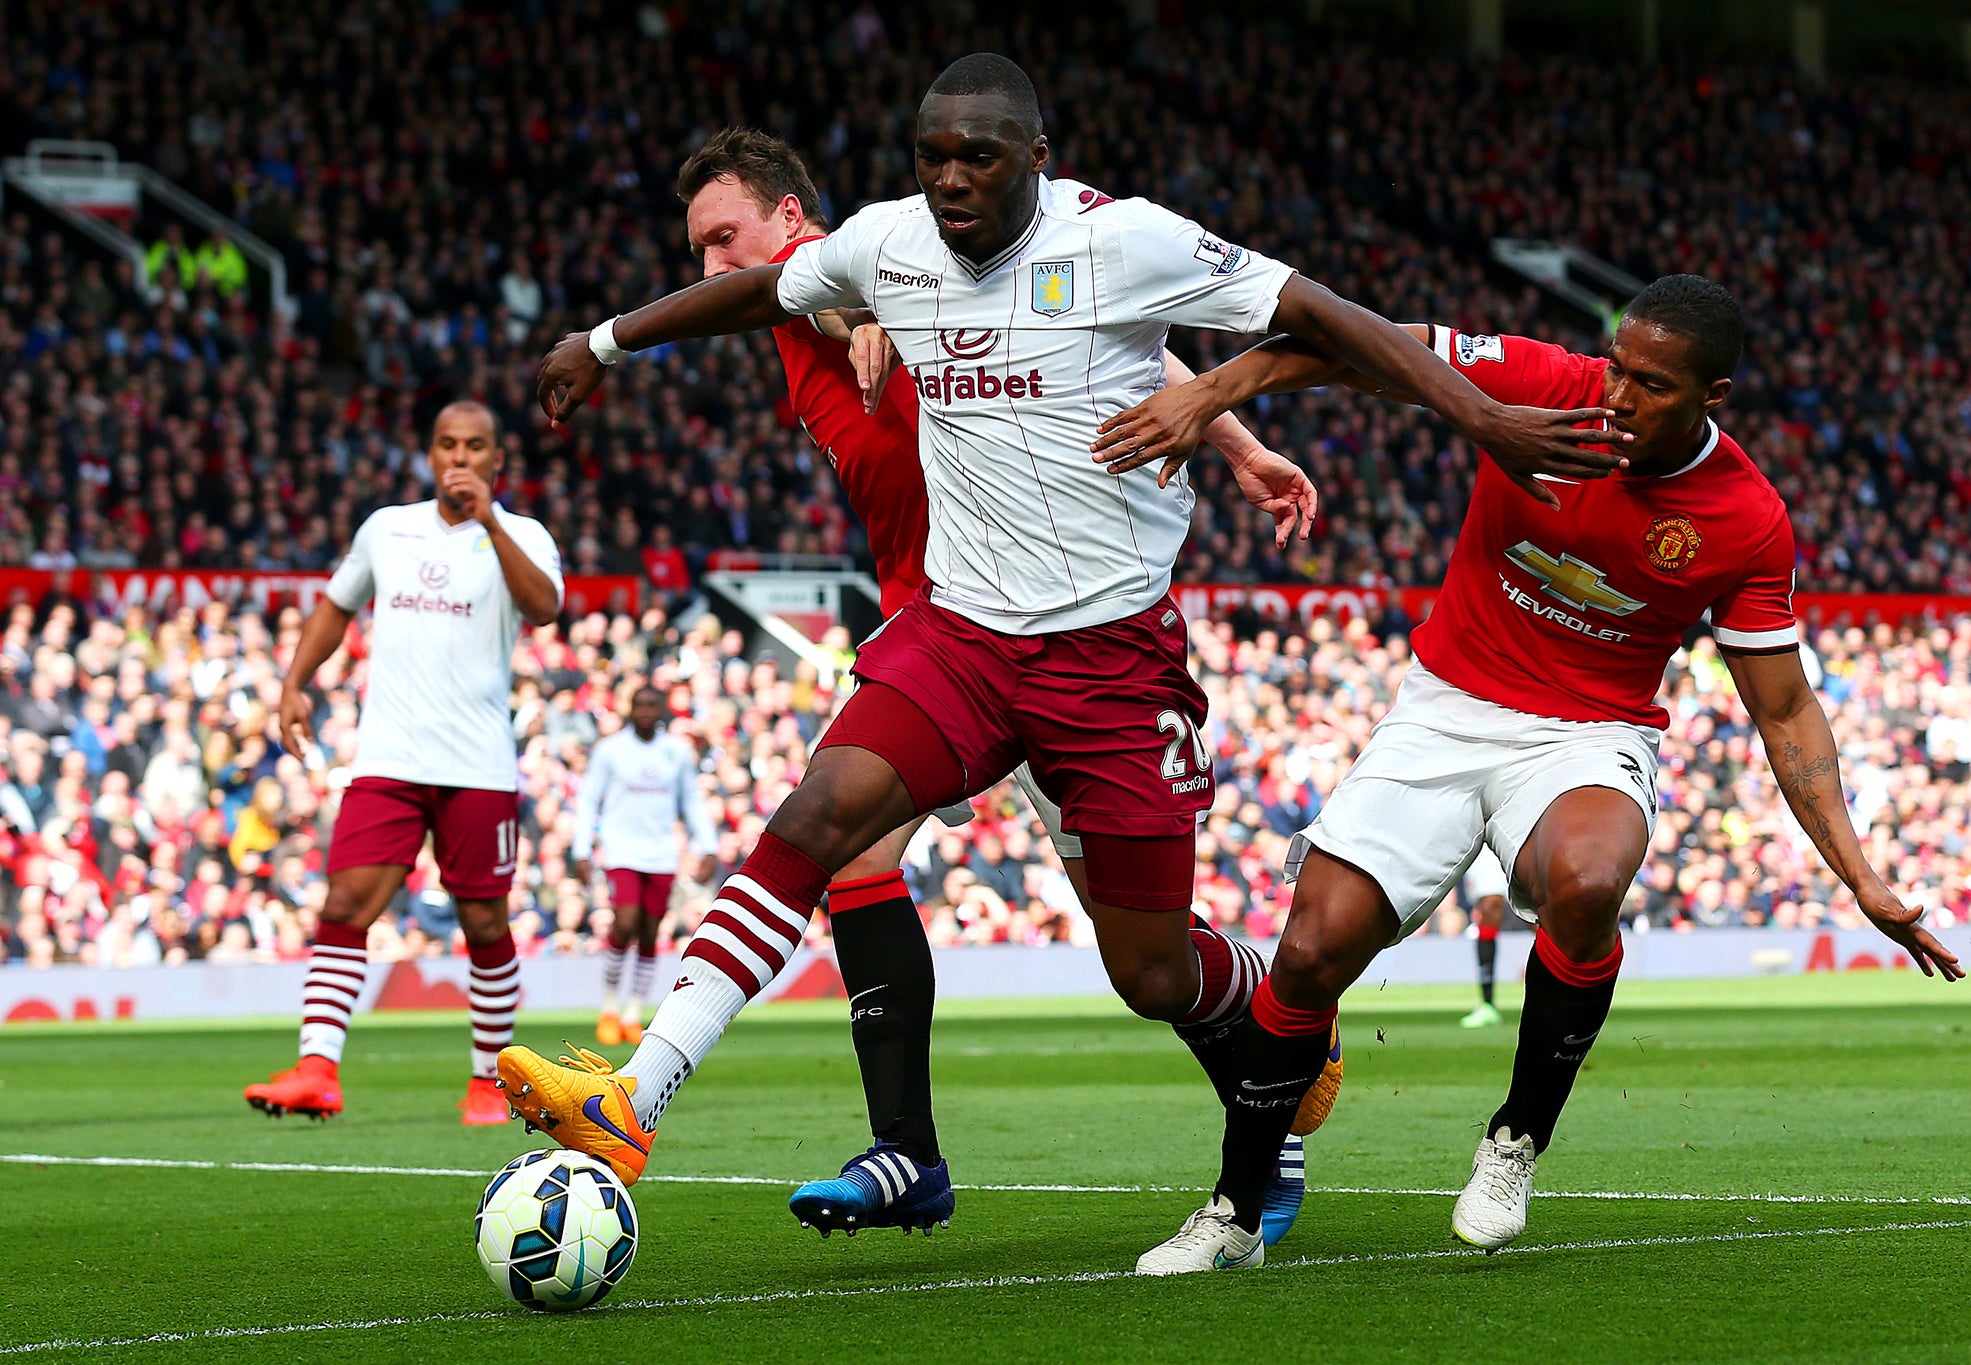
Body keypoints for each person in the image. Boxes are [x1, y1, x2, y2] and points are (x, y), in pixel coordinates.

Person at [503, 54, 1617, 1286]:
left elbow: (1314, 315)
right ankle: (637, 1098)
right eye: (932, 157)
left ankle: (1260, 1009)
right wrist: (597, 341)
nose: (951, 179)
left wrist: (1481, 418)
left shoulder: (1126, 242)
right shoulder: (886, 249)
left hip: (1109, 662)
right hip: (962, 637)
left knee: (1147, 970)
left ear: (1036, 155)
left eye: (978, 155)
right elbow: (766, 294)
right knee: (822, 817)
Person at [1090, 273, 1963, 1271]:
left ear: (1710, 395)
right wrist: (1213, 393)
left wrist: (1859, 876)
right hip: (1444, 710)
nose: (1618, 399)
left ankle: (1513, 1141)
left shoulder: (1744, 519)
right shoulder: (1542, 382)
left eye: (1652, 386)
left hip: (1590, 733)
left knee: (1587, 882)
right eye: (1617, 368)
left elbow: (1782, 708)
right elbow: (1356, 342)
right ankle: (1234, 1214)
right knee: (1309, 953)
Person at [669, 126, 1325, 1244]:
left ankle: (1264, 1070)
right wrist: (1237, 446)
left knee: (1144, 960)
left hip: (1051, 631)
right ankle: (907, 1155)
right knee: (851, 852)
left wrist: (1233, 446)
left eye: (723, 237)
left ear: (790, 224)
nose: (709, 268)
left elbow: (930, 311)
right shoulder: (806, 310)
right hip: (949, 642)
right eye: (693, 251)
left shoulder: (866, 276)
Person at [243, 401, 563, 1126]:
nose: (460, 457)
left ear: (496, 462)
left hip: (479, 763)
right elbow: (334, 603)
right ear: (429, 454)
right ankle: (317, 1069)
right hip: (388, 755)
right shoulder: (387, 528)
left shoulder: (523, 535)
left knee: (483, 922)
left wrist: (489, 523)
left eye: (475, 446)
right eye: (447, 444)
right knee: (344, 904)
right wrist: (293, 684)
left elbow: (543, 606)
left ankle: (490, 1082)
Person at [572, 685, 717, 1047]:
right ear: (630, 709)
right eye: (639, 705)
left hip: (661, 853)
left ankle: (633, 1013)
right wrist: (581, 850)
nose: (646, 712)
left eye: (652, 705)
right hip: (621, 850)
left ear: (662, 710)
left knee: (651, 933)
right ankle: (608, 1008)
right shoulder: (611, 751)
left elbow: (692, 801)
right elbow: (589, 798)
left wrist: (707, 845)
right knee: (624, 922)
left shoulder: (676, 752)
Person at [1461, 847, 1510, 1028]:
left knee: (1538, 914)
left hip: (1519, 829)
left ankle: (1572, 991)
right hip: (1484, 837)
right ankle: (1488, 1004)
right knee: (1488, 907)